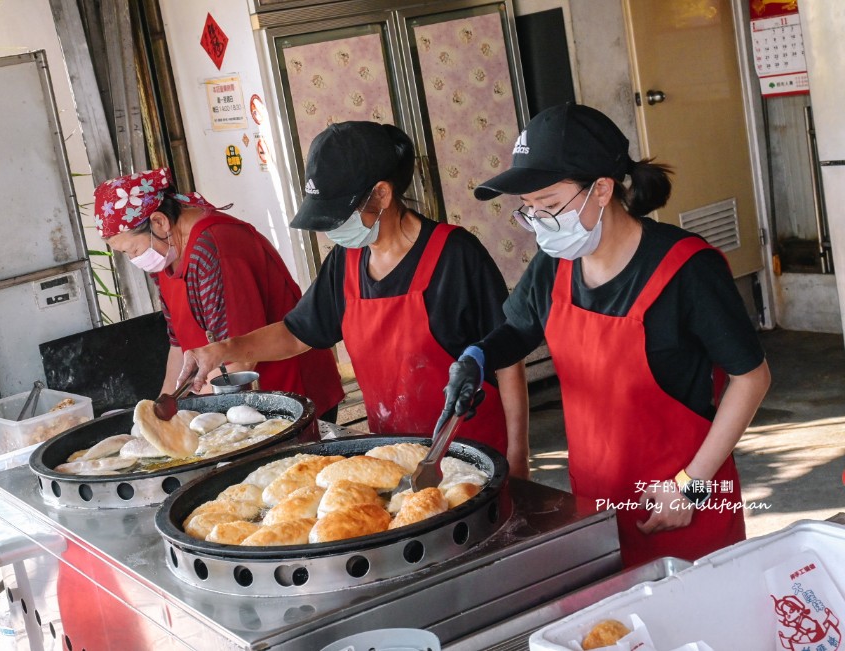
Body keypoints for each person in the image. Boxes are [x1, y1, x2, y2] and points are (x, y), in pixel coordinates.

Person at [443, 103, 771, 566]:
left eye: (551, 206)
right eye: (529, 210)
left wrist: (692, 485)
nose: (540, 223)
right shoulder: (552, 267)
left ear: (601, 189)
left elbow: (751, 378)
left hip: (681, 507)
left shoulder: (686, 270)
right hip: (596, 504)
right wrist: (477, 355)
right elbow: (518, 329)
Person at [179, 121, 530, 476]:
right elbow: (297, 333)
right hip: (394, 459)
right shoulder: (345, 262)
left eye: (339, 215)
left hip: (473, 458)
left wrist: (518, 460)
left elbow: (507, 361)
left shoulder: (456, 256)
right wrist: (226, 349)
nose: (333, 229)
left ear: (381, 194)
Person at [94, 168, 344, 420]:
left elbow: (239, 361)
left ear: (159, 222)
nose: (134, 259)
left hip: (287, 397)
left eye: (132, 250)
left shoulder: (216, 247)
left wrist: (196, 418)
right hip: (236, 401)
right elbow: (178, 345)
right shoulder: (164, 252)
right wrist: (158, 413)